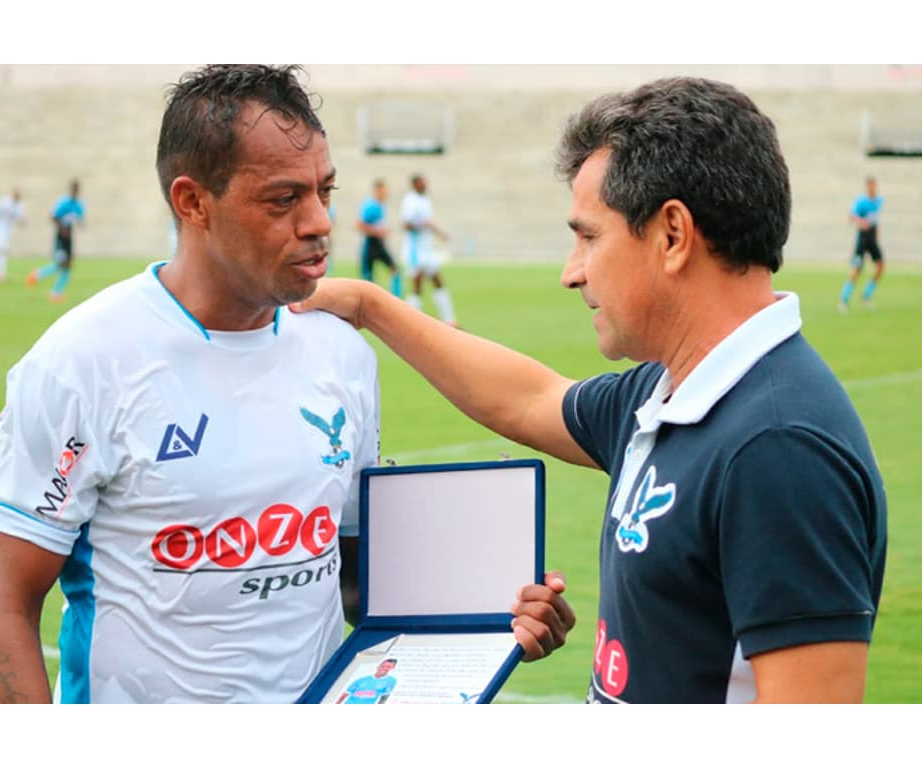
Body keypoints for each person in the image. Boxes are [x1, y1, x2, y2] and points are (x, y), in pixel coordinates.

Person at [0, 64, 574, 704]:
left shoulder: (341, 353)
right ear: (193, 202)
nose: (319, 223)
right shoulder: (81, 361)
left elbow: (347, 580)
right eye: (284, 199)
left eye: (325, 192)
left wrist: (490, 614)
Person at [293, 77, 888, 704]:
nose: (570, 272)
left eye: (589, 237)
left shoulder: (776, 446)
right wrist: (368, 306)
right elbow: (525, 399)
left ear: (672, 235)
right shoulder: (674, 394)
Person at [401, 174, 457, 326]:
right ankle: (410, 321)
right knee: (417, 286)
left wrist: (439, 233)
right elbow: (406, 224)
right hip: (415, 251)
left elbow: (429, 223)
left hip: (427, 250)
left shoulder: (425, 200)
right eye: (422, 183)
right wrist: (421, 225)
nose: (425, 185)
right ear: (415, 185)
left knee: (438, 281)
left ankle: (449, 320)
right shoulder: (410, 201)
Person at [26, 179, 85, 302]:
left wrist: (79, 223)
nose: (76, 191)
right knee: (62, 264)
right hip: (61, 236)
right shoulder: (64, 202)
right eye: (74, 188)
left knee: (67, 265)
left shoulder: (79, 204)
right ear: (71, 189)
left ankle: (46, 284)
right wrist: (62, 228)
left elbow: (79, 219)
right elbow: (53, 216)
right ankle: (49, 287)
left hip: (69, 236)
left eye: (77, 189)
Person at [839, 175, 885, 313]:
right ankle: (844, 298)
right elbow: (851, 217)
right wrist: (861, 222)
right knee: (857, 269)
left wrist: (877, 229)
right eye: (870, 185)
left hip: (872, 239)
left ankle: (866, 295)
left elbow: (875, 218)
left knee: (880, 266)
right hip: (863, 239)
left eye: (874, 185)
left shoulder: (879, 201)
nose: (872, 188)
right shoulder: (861, 202)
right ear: (867, 186)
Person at [357, 179, 402, 296]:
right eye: (383, 190)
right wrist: (379, 232)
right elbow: (360, 225)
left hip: (380, 245)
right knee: (368, 279)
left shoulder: (380, 205)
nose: (385, 193)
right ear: (377, 190)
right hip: (370, 245)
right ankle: (368, 302)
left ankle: (396, 299)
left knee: (395, 270)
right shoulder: (370, 206)